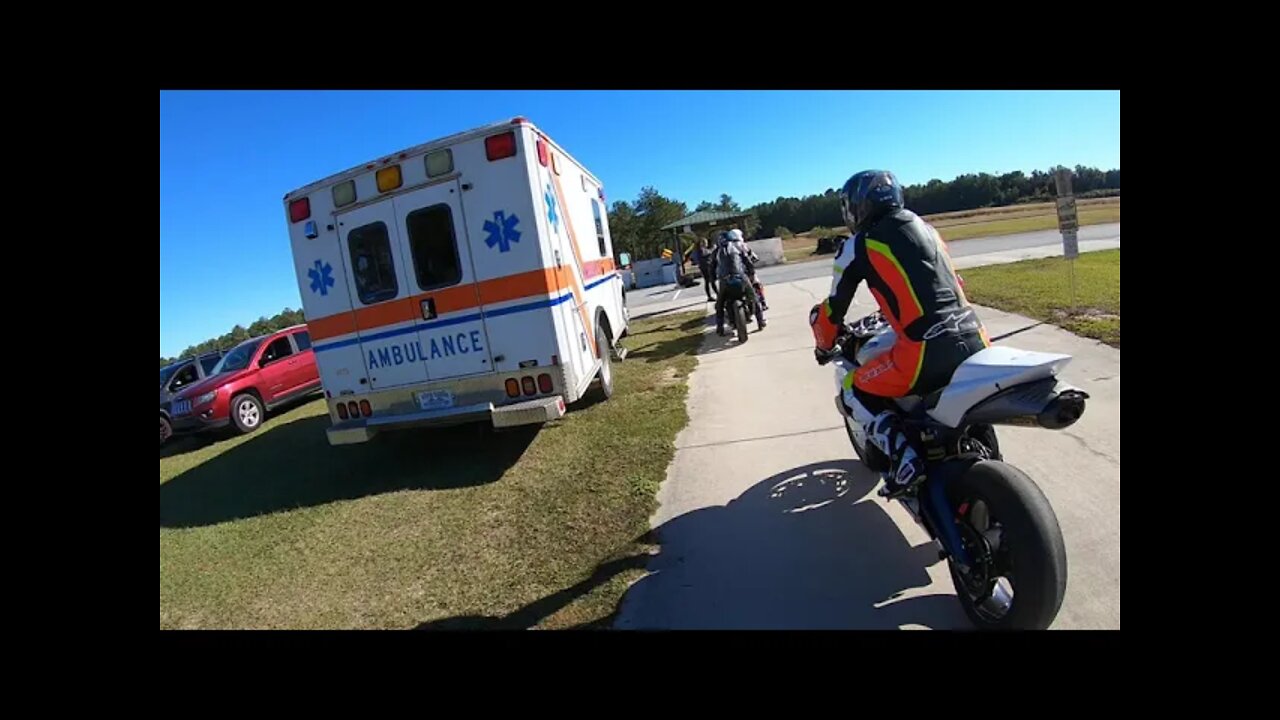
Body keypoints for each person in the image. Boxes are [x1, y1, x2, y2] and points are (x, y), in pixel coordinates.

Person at [809, 170, 990, 497]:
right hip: (977, 339)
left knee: (854, 386)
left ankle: (904, 456)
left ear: (856, 207)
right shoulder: (930, 231)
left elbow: (833, 310)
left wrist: (823, 345)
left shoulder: (857, 245)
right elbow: (948, 287)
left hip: (923, 354)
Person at [713, 229, 765, 335]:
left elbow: (711, 269)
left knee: (719, 305)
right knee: (754, 298)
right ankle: (760, 321)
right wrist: (751, 274)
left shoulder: (716, 252)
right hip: (741, 277)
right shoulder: (738, 247)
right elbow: (748, 262)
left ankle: (720, 327)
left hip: (725, 280)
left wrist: (713, 280)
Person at [692, 236, 716, 301]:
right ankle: (715, 294)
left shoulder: (700, 249)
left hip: (705, 267)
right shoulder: (701, 250)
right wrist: (713, 249)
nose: (707, 244)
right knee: (711, 281)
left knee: (708, 281)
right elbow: (706, 253)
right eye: (705, 242)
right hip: (705, 267)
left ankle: (712, 295)